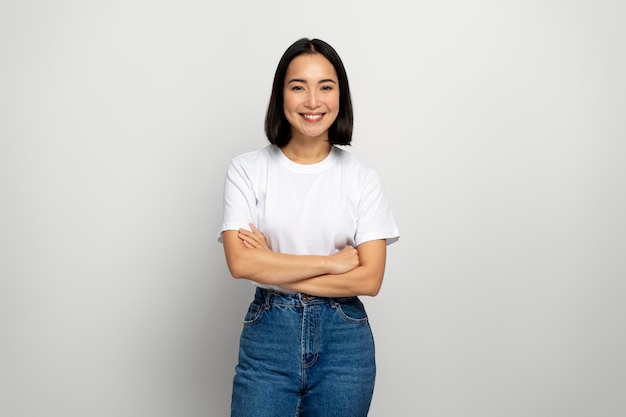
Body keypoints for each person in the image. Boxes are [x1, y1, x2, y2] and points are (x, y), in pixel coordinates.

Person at [218, 37, 399, 417]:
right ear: (280, 95)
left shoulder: (361, 178)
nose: (313, 101)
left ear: (340, 96)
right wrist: (332, 264)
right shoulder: (247, 170)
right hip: (268, 338)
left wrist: (271, 262)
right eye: (298, 86)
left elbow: (369, 281)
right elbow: (240, 264)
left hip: (344, 345)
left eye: (326, 87)